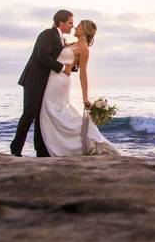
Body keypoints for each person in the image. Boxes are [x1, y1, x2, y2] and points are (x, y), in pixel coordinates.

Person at [37, 19, 119, 156]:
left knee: (56, 112)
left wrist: (85, 98)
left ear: (84, 31)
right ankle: (52, 147)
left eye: (79, 26)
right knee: (52, 112)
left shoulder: (84, 49)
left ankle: (86, 139)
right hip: (53, 79)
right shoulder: (72, 44)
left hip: (60, 82)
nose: (75, 27)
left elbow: (83, 75)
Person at [10, 10, 75, 157]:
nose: (72, 26)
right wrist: (63, 68)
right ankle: (16, 149)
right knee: (29, 114)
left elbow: (58, 57)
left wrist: (71, 66)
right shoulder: (48, 34)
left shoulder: (59, 38)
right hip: (34, 80)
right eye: (70, 23)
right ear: (61, 22)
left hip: (44, 82)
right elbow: (42, 57)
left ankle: (41, 150)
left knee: (40, 115)